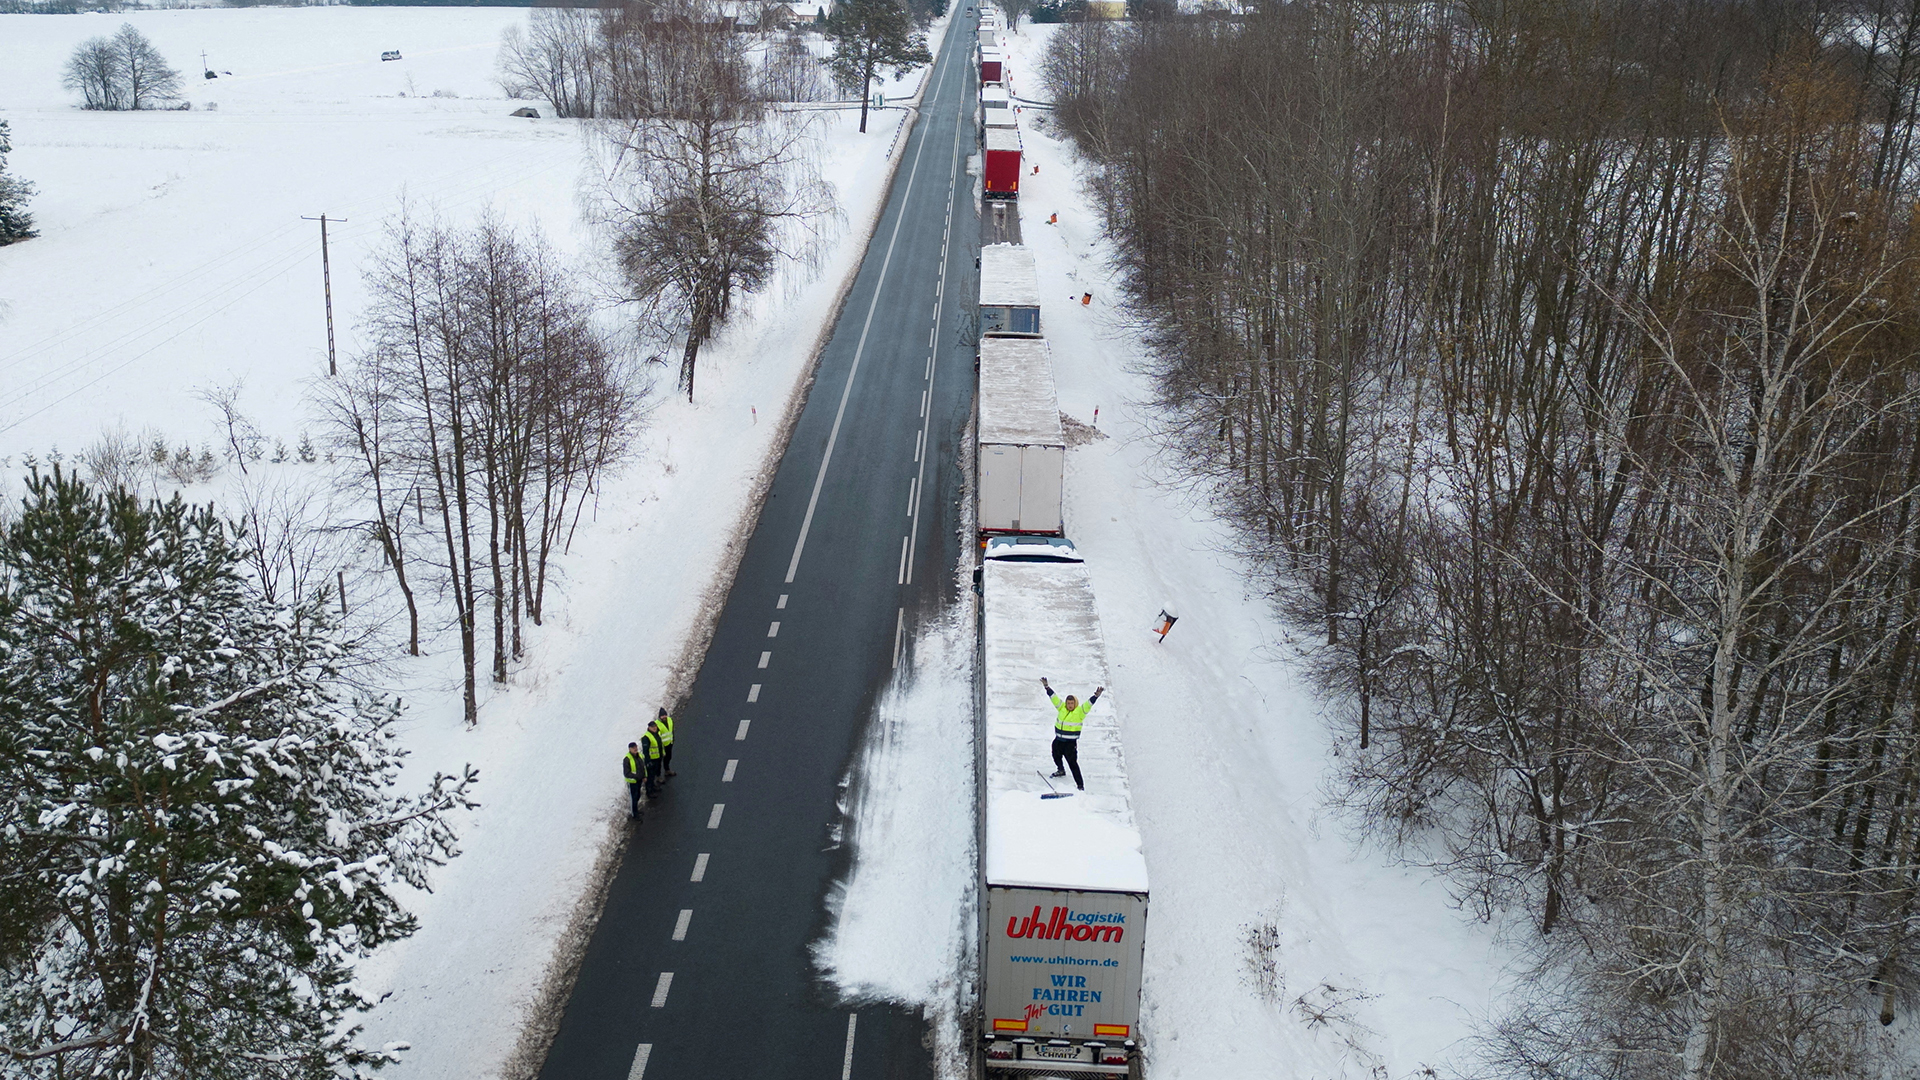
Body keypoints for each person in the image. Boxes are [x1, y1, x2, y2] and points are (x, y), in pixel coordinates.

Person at [1041, 676, 1103, 790]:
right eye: (1068, 703)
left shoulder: (1080, 711)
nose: (1070, 705)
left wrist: (1095, 696)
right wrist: (1047, 687)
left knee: (1073, 764)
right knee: (1055, 754)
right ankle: (1060, 769)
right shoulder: (1062, 708)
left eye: (1072, 703)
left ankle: (1080, 785)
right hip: (1058, 740)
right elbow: (1054, 698)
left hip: (1070, 743)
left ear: (1075, 704)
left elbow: (1088, 704)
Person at [641, 721, 665, 797]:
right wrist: (648, 761)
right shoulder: (646, 737)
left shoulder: (656, 734)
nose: (654, 728)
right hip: (651, 760)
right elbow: (646, 751)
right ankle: (649, 792)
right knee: (650, 776)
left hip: (657, 758)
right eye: (652, 727)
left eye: (655, 726)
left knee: (653, 775)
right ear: (649, 728)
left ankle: (653, 787)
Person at [622, 742, 646, 819]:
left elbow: (643, 767)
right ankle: (634, 814)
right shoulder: (627, 759)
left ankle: (636, 811)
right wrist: (636, 776)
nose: (635, 749)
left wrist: (644, 776)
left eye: (636, 747)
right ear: (630, 749)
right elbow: (626, 773)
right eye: (633, 748)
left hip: (639, 780)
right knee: (634, 798)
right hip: (632, 782)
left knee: (638, 795)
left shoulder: (639, 756)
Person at [657, 707, 677, 778]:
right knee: (658, 762)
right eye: (662, 716)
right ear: (659, 717)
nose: (664, 717)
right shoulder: (657, 724)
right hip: (661, 746)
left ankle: (667, 770)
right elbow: (657, 738)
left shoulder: (670, 720)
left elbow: (671, 730)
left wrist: (673, 739)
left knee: (668, 757)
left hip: (669, 744)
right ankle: (658, 776)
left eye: (665, 715)